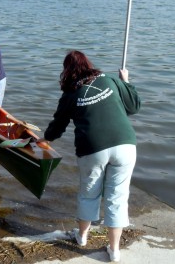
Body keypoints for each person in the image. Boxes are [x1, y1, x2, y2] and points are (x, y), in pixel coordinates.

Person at [37, 50, 141, 263]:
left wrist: (43, 138)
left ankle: (82, 237)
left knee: (89, 193)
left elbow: (57, 127)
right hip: (125, 145)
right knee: (117, 198)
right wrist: (127, 81)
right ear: (88, 64)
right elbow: (134, 106)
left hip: (92, 149)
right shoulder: (110, 79)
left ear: (67, 71)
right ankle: (114, 250)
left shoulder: (70, 94)